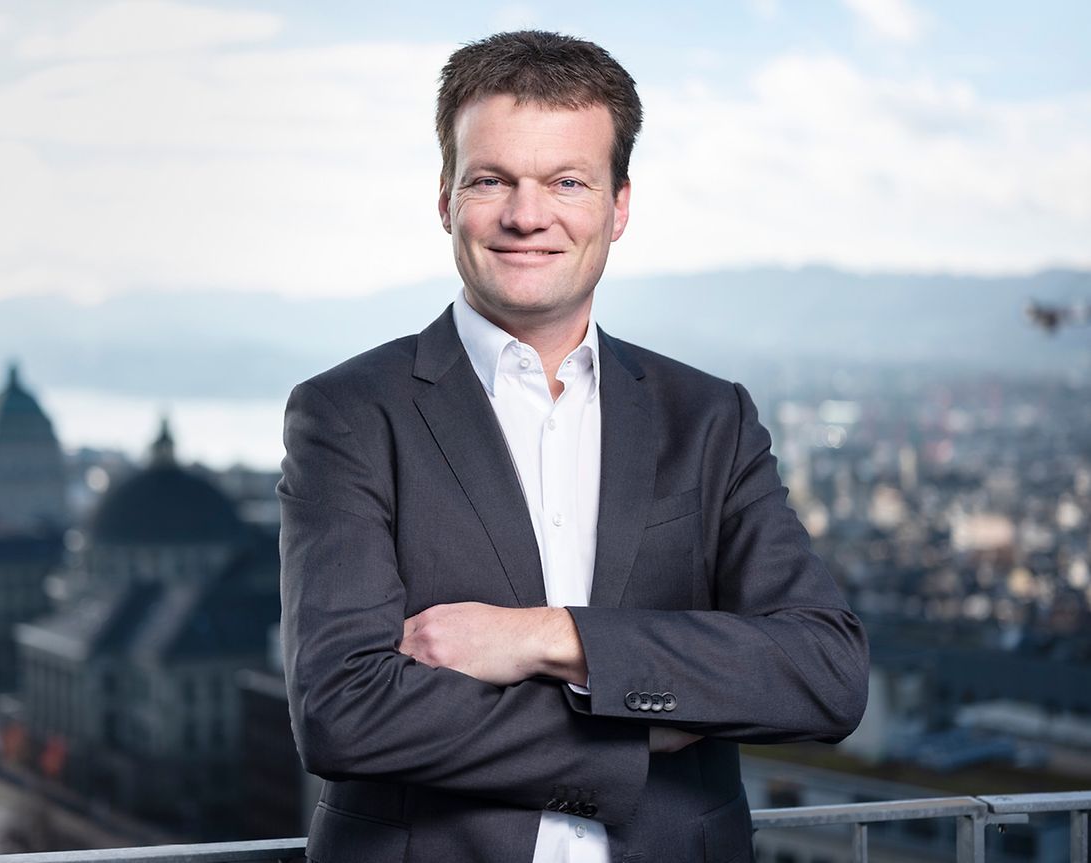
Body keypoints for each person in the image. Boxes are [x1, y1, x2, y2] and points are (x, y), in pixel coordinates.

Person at [278, 30, 868, 863]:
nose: (527, 215)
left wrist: (550, 636)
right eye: (491, 180)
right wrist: (637, 737)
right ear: (446, 198)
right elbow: (345, 710)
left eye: (566, 181)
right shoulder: (346, 414)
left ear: (618, 205)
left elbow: (825, 671)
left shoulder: (709, 419)